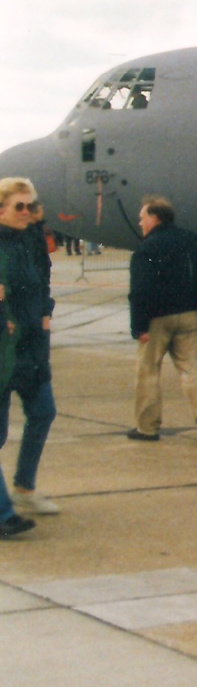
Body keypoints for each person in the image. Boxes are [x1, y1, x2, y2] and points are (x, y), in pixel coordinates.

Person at [127, 196, 197, 445]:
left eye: (143, 218)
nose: (140, 223)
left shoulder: (147, 248)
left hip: (157, 319)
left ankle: (147, 427)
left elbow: (139, 289)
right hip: (188, 315)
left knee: (148, 372)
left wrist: (139, 325)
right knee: (191, 368)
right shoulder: (192, 240)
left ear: (155, 218)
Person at [0, 180, 57, 534]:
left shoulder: (30, 239)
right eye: (19, 206)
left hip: (32, 343)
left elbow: (43, 280)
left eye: (30, 206)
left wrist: (46, 311)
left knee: (43, 411)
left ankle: (24, 488)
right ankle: (4, 515)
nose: (27, 212)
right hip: (4, 347)